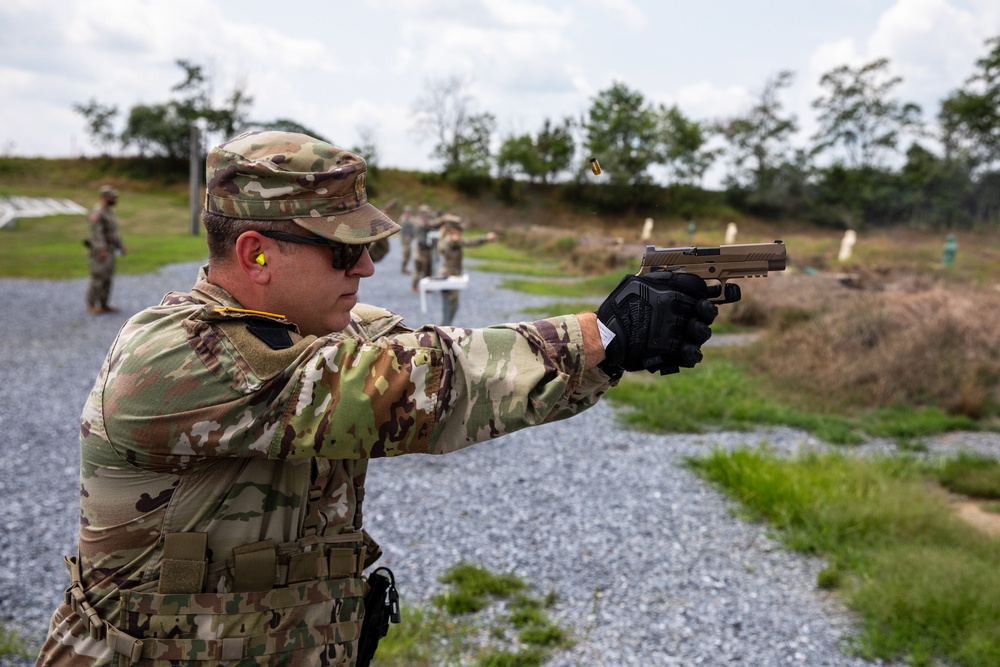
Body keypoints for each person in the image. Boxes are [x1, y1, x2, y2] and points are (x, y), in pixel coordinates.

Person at [36, 130, 724, 667]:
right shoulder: (172, 356)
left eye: (370, 250)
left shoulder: (323, 329)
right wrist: (601, 333)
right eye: (343, 252)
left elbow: (453, 351)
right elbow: (410, 384)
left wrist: (616, 345)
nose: (365, 267)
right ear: (255, 253)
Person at [435, 214, 497, 325]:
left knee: (450, 306)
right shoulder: (450, 240)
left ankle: (444, 328)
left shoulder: (448, 239)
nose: (460, 234)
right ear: (453, 232)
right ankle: (443, 330)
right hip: (449, 277)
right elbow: (469, 242)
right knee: (450, 307)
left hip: (449, 276)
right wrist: (486, 238)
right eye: (458, 232)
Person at [85, 185, 126, 314]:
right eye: (112, 196)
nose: (115, 198)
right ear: (105, 197)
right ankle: (91, 304)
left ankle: (103, 304)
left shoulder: (109, 211)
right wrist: (101, 249)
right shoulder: (98, 211)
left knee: (108, 278)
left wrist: (120, 246)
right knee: (98, 277)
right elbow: (97, 233)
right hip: (100, 251)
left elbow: (113, 232)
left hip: (110, 249)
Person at [409, 204, 438, 292]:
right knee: (418, 270)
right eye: (424, 213)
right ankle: (414, 286)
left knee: (428, 270)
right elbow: (421, 227)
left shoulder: (430, 222)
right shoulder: (417, 222)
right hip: (420, 251)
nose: (425, 215)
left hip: (428, 251)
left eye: (427, 213)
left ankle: (427, 287)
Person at [398, 204, 415, 274]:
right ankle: (403, 268)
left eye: (409, 212)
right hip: (404, 240)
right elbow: (401, 226)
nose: (408, 213)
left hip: (409, 240)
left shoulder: (411, 218)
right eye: (407, 212)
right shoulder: (403, 218)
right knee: (405, 254)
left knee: (408, 255)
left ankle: (405, 268)